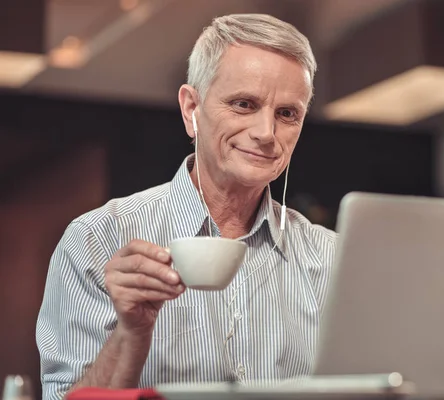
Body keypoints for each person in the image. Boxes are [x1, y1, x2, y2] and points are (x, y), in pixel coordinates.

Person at [36, 13, 336, 400]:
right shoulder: (96, 240)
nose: (266, 133)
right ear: (191, 109)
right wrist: (131, 334)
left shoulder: (333, 258)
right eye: (244, 104)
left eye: (287, 114)